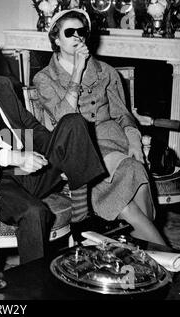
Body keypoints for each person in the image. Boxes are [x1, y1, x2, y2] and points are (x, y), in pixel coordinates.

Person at [0, 32, 106, 264]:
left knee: (73, 122)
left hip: (31, 167)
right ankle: (33, 287)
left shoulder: (2, 85)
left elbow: (30, 125)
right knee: (35, 213)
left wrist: (59, 152)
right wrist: (14, 157)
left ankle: (81, 217)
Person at [33, 9, 166, 245]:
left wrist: (134, 140)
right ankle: (161, 253)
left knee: (133, 168)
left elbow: (123, 115)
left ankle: (144, 251)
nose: (77, 37)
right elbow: (65, 118)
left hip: (112, 142)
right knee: (124, 201)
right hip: (77, 151)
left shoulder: (105, 72)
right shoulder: (44, 78)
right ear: (56, 39)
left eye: (81, 31)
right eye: (69, 32)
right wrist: (77, 70)